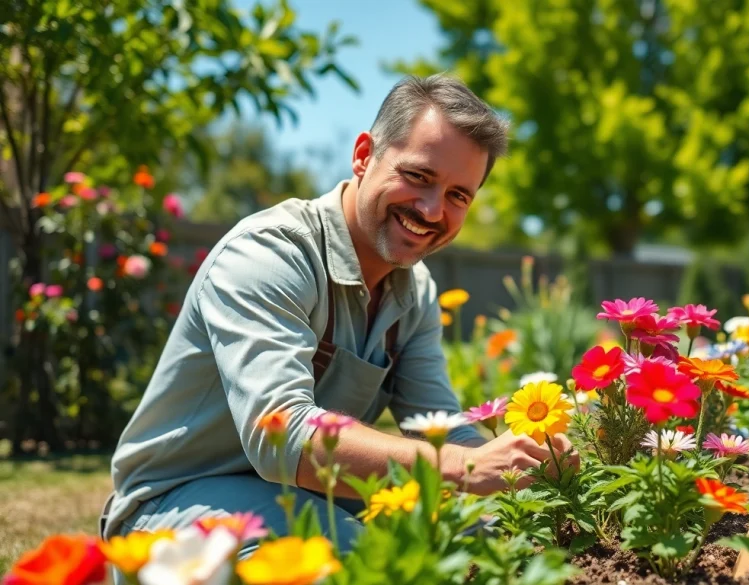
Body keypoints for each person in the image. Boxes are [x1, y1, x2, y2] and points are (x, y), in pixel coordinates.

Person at [98, 74, 577, 560]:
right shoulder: (270, 255)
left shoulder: (415, 289)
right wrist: (462, 466)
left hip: (305, 499)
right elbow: (283, 436)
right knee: (368, 565)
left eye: (458, 195)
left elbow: (439, 427)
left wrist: (523, 467)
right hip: (171, 507)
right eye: (418, 176)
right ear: (365, 154)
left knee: (493, 546)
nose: (432, 209)